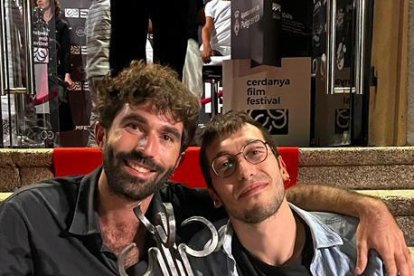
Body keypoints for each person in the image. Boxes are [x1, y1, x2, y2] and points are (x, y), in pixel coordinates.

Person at [0, 61, 411, 275]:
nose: (146, 148)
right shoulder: (29, 217)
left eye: (166, 136)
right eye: (133, 127)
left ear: (179, 160)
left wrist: (369, 207)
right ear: (100, 134)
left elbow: (267, 197)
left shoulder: (190, 213)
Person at [189, 111, 387, 275]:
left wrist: (372, 207)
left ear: (283, 167)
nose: (245, 172)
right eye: (225, 165)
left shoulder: (358, 246)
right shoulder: (198, 264)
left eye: (255, 152)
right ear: (214, 195)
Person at [34, 0, 75, 133]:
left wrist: (67, 74)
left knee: (57, 113)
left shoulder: (61, 25)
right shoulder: (33, 26)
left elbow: (66, 52)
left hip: (55, 74)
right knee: (40, 115)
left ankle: (55, 145)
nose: (39, 0)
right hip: (38, 74)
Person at [85, 0, 111, 146]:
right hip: (107, 70)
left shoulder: (92, 8)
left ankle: (91, 155)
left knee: (97, 116)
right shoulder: (110, 6)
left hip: (93, 70)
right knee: (110, 117)